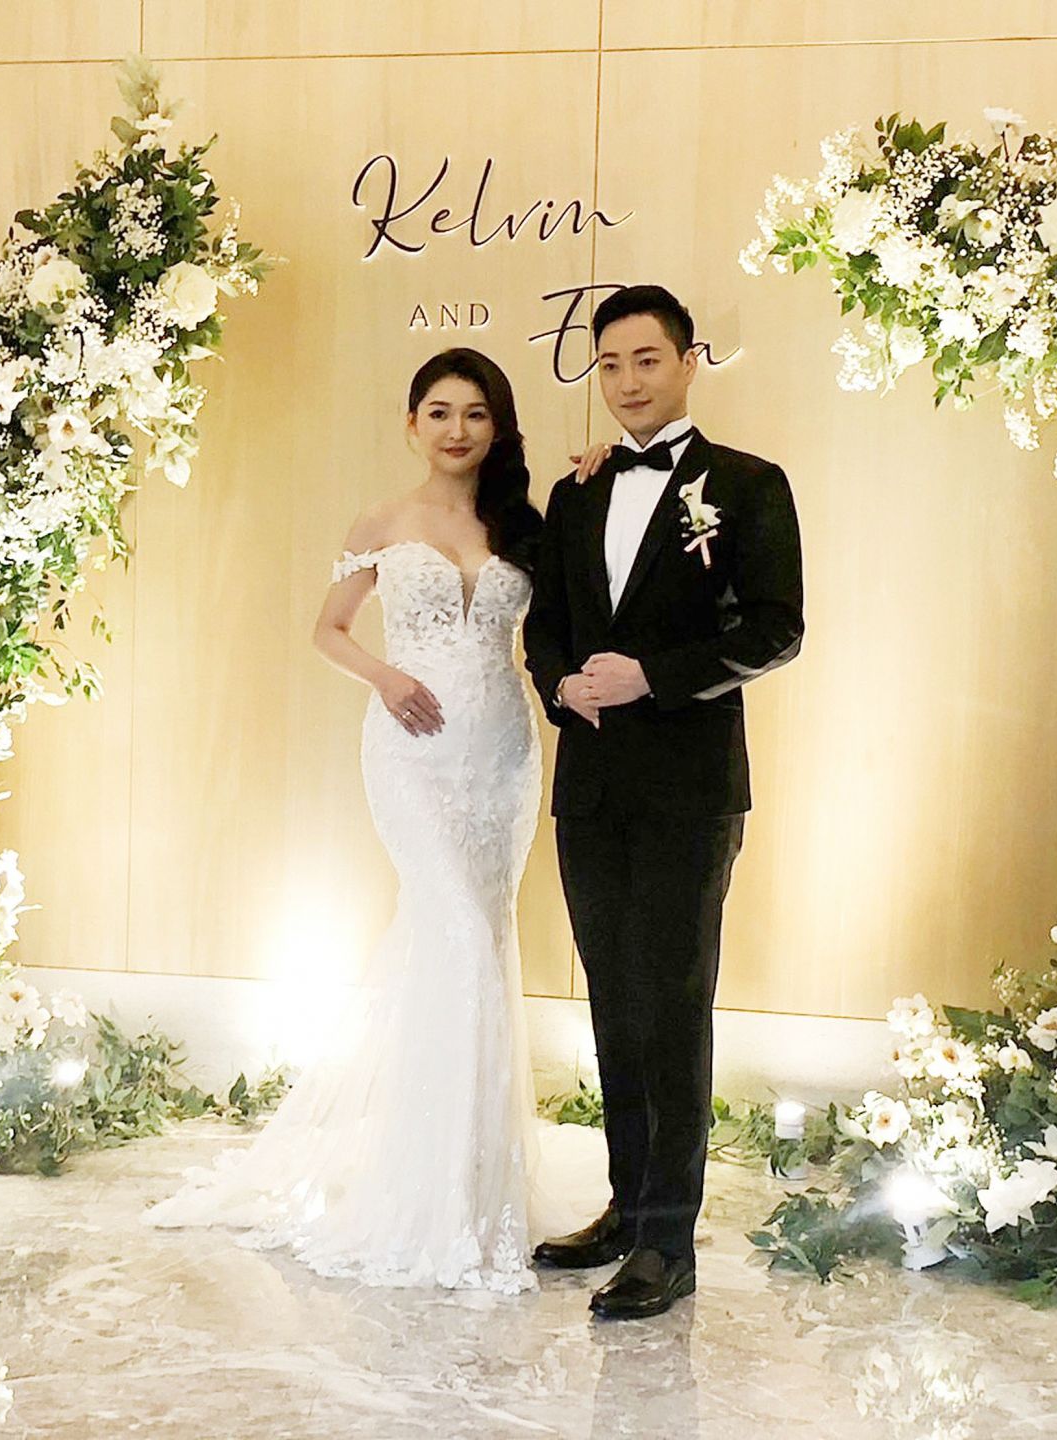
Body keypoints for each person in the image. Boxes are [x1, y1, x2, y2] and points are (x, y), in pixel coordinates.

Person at [143, 347, 569, 1293]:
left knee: (481, 942)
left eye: (477, 414)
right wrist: (386, 677)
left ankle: (475, 1184)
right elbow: (327, 629)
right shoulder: (382, 521)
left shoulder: (525, 526)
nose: (457, 429)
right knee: (454, 934)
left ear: (499, 428)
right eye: (439, 412)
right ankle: (422, 1194)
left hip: (501, 756)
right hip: (412, 750)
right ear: (411, 424)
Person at [523, 284, 804, 1319]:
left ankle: (667, 1242)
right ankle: (626, 1204)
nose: (628, 381)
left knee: (673, 999)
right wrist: (560, 684)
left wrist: (652, 677)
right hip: (591, 784)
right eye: (610, 365)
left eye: (647, 360)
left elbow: (776, 628)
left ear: (689, 362)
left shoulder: (749, 484)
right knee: (612, 995)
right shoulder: (576, 493)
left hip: (690, 787)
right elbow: (546, 625)